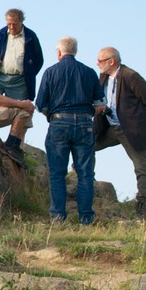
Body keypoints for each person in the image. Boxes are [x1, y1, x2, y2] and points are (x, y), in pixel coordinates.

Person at [35, 37, 106, 224]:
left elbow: (40, 104)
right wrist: (89, 111)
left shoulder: (50, 72)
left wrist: (53, 115)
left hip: (59, 123)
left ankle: (58, 217)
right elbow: (101, 102)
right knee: (85, 173)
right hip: (84, 123)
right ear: (75, 51)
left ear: (59, 52)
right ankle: (86, 218)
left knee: (57, 173)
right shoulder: (89, 72)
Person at [94, 47, 146, 215]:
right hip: (109, 126)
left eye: (100, 60)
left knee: (142, 165)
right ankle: (84, 180)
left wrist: (137, 120)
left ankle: (143, 204)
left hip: (131, 129)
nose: (97, 63)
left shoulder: (131, 76)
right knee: (86, 145)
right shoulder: (103, 77)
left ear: (111, 61)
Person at [0, 8, 43, 101]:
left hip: (19, 81)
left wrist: (28, 73)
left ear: (21, 22)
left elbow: (39, 60)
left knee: (17, 110)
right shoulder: (0, 34)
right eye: (9, 24)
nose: (11, 27)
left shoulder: (31, 37)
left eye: (14, 24)